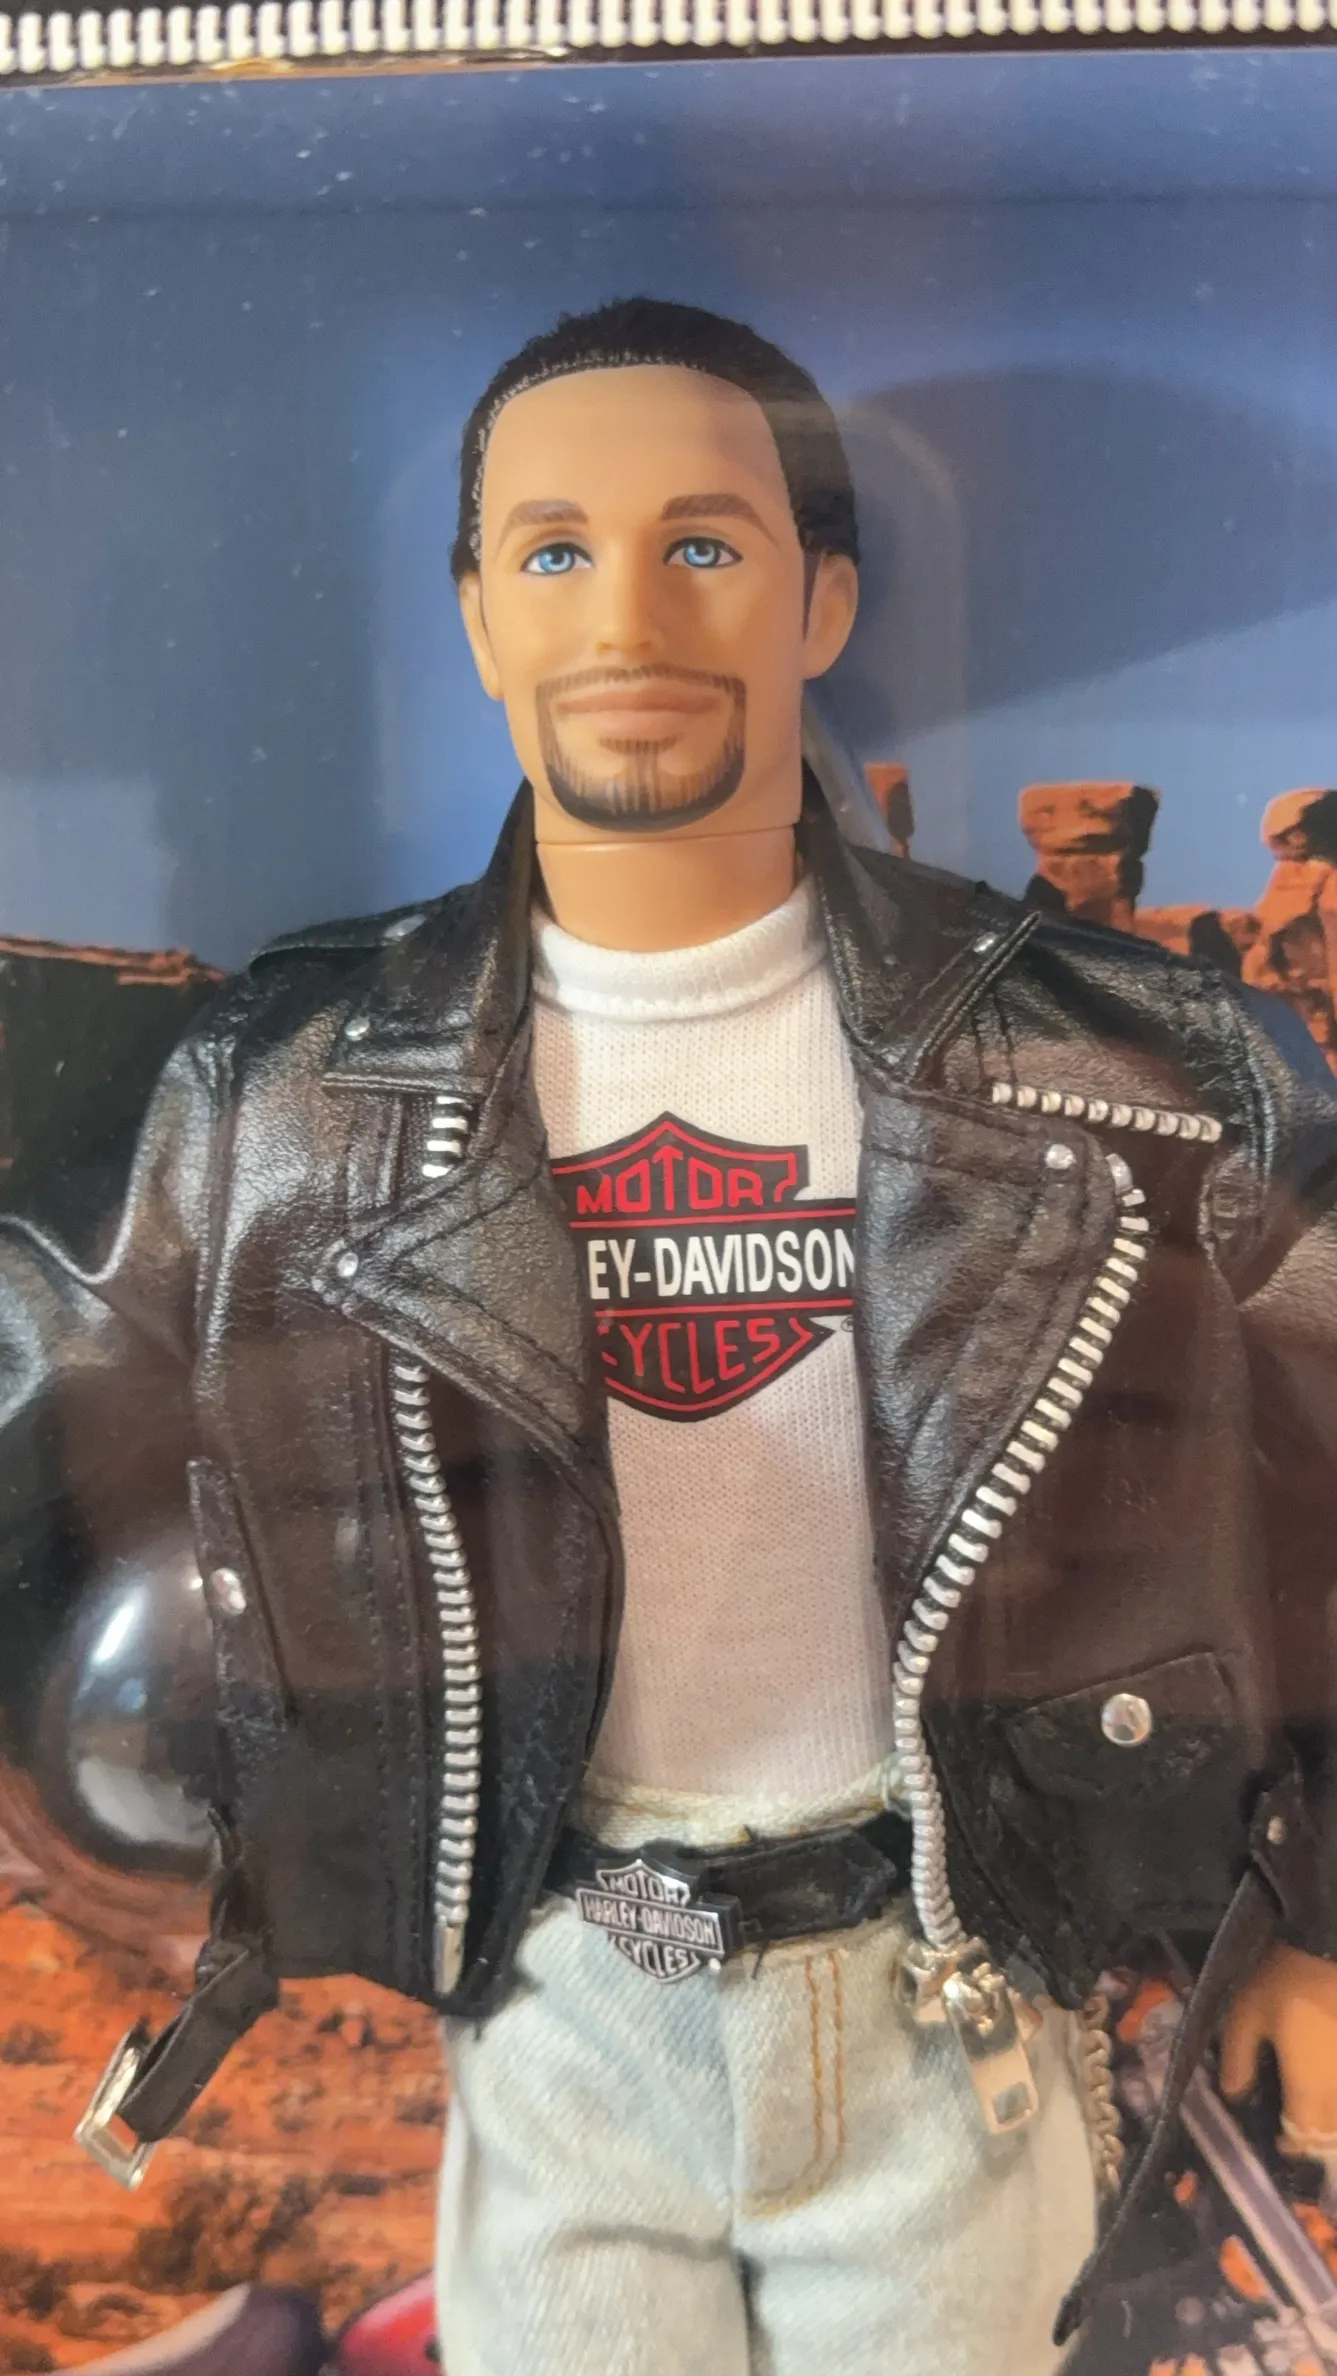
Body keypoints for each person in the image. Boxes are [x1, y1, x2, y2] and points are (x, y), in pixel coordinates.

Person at [6, 297, 1337, 2375]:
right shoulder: (289, 1094)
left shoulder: (1123, 1072)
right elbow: (61, 1428)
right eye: (555, 551)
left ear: (824, 601)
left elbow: (1320, 1489)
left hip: (947, 1996)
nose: (626, 614)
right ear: (477, 618)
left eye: (702, 543)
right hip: (561, 1995)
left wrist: (1305, 1917)